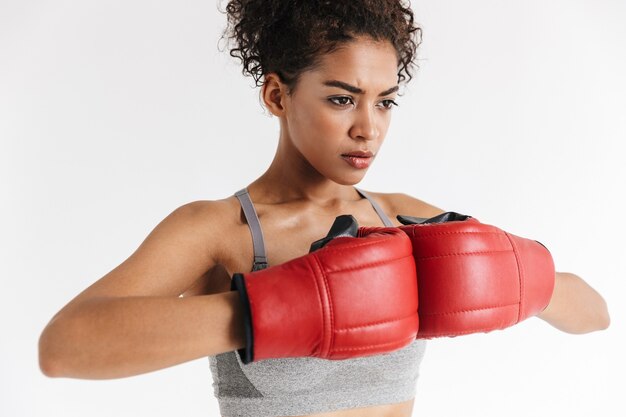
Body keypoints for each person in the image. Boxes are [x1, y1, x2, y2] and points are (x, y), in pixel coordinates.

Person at [37, 1, 610, 416]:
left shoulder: (401, 219)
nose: (368, 128)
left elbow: (596, 314)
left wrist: (517, 278)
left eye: (385, 102)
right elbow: (64, 347)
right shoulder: (224, 230)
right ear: (277, 95)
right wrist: (285, 310)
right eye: (341, 98)